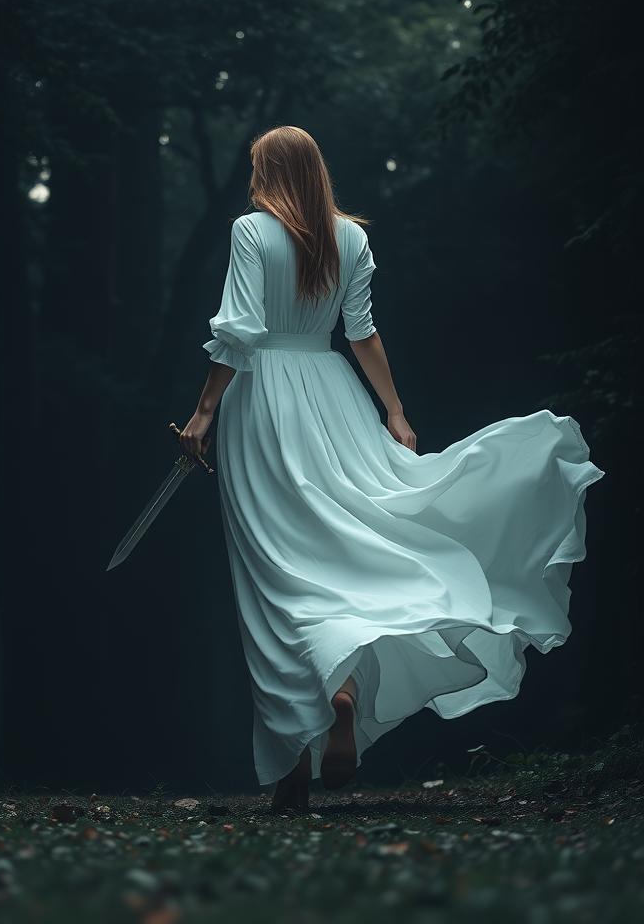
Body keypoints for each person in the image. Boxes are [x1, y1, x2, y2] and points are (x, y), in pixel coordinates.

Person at [178, 125, 606, 813]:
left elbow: (239, 330)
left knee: (276, 577)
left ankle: (297, 757)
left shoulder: (251, 233)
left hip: (263, 406)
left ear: (268, 171)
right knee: (346, 551)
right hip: (335, 392)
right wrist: (395, 413)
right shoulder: (351, 238)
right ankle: (331, 707)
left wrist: (203, 412)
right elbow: (362, 331)